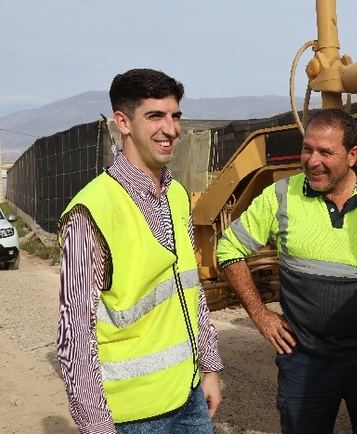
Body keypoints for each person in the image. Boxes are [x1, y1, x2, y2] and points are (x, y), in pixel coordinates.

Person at [216, 108, 357, 434]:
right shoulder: (282, 196)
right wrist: (260, 314)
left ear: (353, 155)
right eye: (307, 149)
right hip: (306, 361)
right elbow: (228, 249)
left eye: (326, 152)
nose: (312, 161)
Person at [57, 68, 223, 434]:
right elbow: (75, 336)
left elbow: (191, 291)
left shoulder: (177, 195)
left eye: (175, 116)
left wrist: (209, 368)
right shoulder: (92, 211)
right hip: (133, 418)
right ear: (123, 123)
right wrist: (97, 427)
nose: (171, 129)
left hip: (189, 396)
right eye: (155, 116)